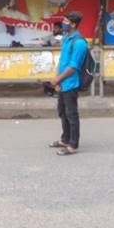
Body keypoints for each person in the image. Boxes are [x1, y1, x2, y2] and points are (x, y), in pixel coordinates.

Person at [48, 11, 88, 156]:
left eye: (65, 21)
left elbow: (73, 67)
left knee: (71, 114)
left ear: (73, 24)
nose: (63, 23)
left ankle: (73, 145)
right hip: (63, 83)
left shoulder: (79, 43)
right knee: (62, 112)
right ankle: (65, 139)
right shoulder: (66, 39)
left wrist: (57, 80)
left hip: (71, 83)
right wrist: (58, 79)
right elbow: (62, 62)